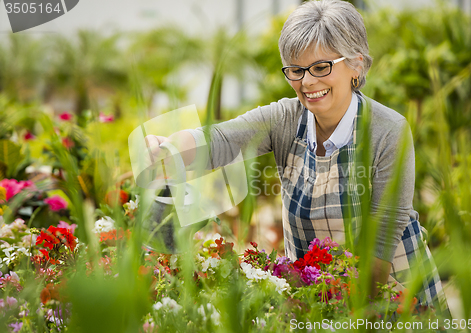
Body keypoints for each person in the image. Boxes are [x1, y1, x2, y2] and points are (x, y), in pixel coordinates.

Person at [146, 0, 449, 315]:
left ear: (356, 65)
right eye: (296, 70)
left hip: (395, 288)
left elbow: (384, 232)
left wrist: (347, 308)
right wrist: (169, 147)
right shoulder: (285, 119)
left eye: (321, 67)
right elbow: (223, 139)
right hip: (318, 294)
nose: (307, 82)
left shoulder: (387, 130)